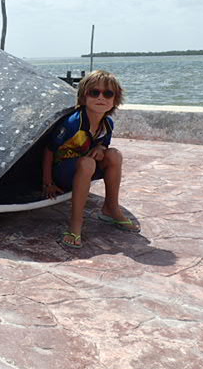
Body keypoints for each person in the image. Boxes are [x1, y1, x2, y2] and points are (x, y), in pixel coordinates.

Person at [41, 70, 139, 248]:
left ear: (115, 99)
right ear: (84, 96)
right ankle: (75, 224)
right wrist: (48, 183)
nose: (101, 97)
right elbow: (49, 150)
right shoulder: (73, 123)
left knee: (114, 155)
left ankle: (111, 208)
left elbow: (104, 145)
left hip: (86, 169)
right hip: (63, 173)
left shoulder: (107, 124)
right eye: (94, 92)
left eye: (108, 93)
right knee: (87, 163)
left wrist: (101, 148)